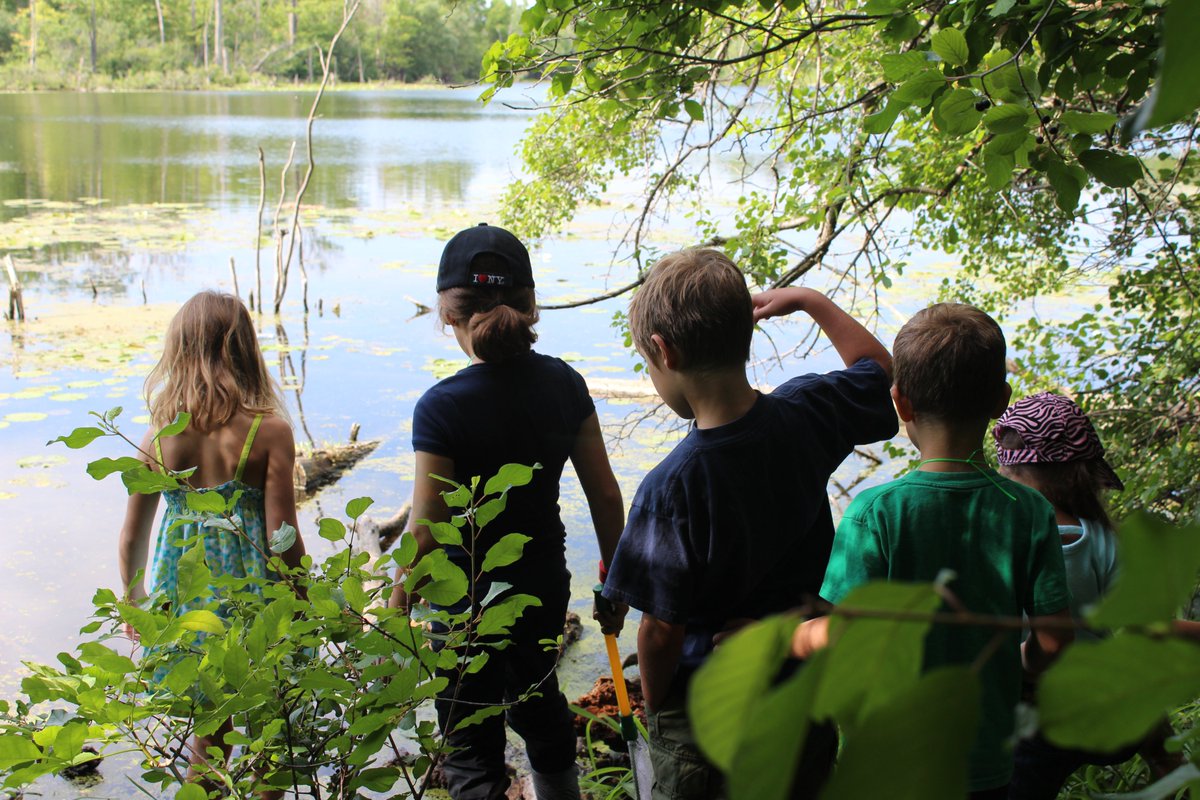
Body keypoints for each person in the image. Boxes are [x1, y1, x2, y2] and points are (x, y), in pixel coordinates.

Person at [600, 248, 898, 800]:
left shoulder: (670, 488)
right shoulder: (809, 410)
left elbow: (659, 632)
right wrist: (809, 300)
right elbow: (880, 371)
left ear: (663, 350)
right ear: (746, 332)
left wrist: (658, 706)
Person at [791, 303, 1074, 799]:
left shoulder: (874, 512)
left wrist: (781, 638)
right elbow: (1054, 642)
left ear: (900, 402)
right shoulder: (1029, 511)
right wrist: (1019, 665)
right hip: (984, 762)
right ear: (1001, 400)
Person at [388, 223, 626, 800]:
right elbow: (604, 495)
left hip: (462, 603)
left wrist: (396, 603)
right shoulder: (566, 383)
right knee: (539, 705)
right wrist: (615, 580)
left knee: (469, 739)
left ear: (447, 314)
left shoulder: (440, 408)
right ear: (530, 306)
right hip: (542, 586)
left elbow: (425, 531)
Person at [117, 290, 307, 798]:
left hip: (188, 603)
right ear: (244, 350)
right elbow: (283, 536)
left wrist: (136, 602)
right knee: (273, 726)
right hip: (255, 601)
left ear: (179, 352)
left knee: (210, 730)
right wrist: (305, 599)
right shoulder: (269, 432)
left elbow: (133, 535)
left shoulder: (158, 437)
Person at [994, 392, 1180, 799]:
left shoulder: (998, 536)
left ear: (1007, 468)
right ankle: (1171, 766)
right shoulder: (1101, 535)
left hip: (1038, 715)